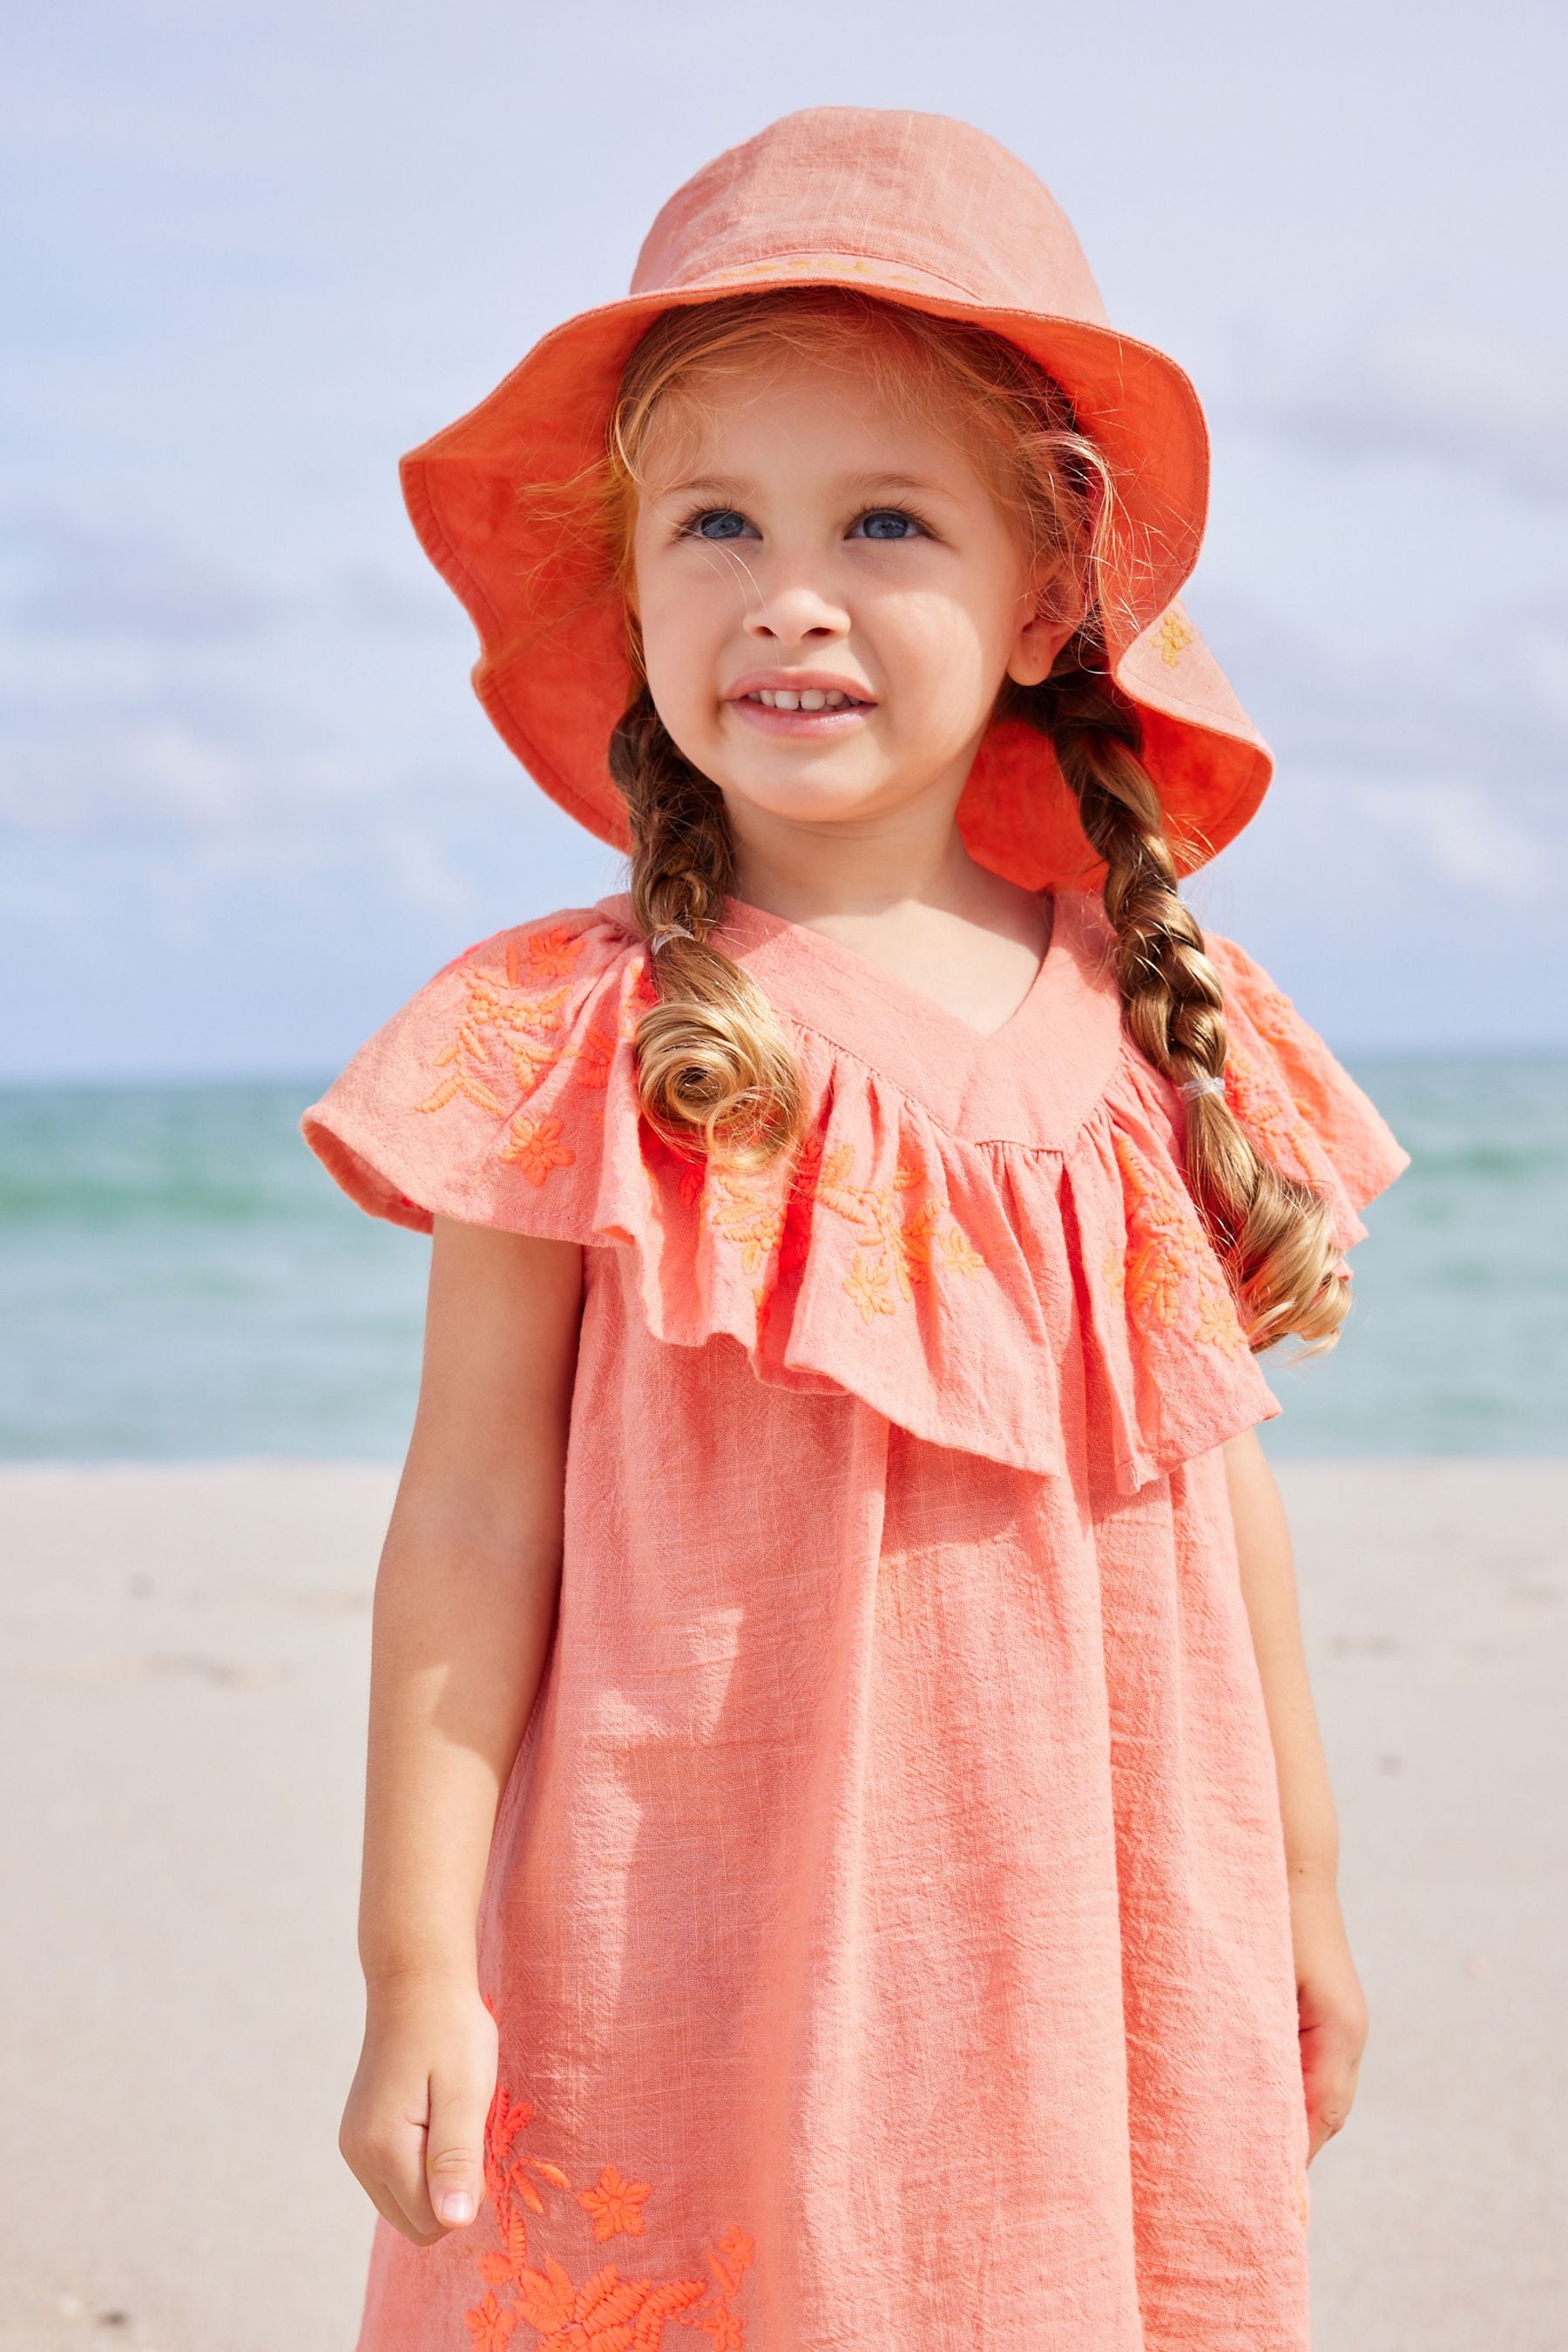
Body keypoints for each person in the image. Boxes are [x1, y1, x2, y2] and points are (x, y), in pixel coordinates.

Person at [302, 106, 1409, 2351]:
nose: (787, 590)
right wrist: (417, 1962)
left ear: (1039, 601)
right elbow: (476, 1514)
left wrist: (1298, 1879)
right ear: (634, 587)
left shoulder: (1147, 1019)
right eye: (716, 520)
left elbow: (1221, 1501)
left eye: (882, 520)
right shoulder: (576, 1034)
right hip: (696, 1927)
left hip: (1100, 1926)